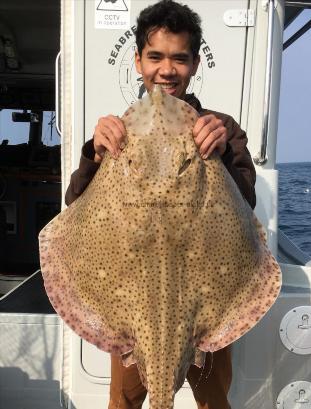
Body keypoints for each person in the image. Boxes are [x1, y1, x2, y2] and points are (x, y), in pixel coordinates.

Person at [65, 1, 256, 408]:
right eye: (155, 56)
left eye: (179, 58)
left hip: (204, 305)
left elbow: (246, 202)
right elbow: (76, 207)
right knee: (125, 402)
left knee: (214, 402)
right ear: (137, 61)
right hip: (135, 306)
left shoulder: (220, 128)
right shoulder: (118, 131)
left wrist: (220, 150)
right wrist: (95, 154)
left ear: (194, 64)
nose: (166, 69)